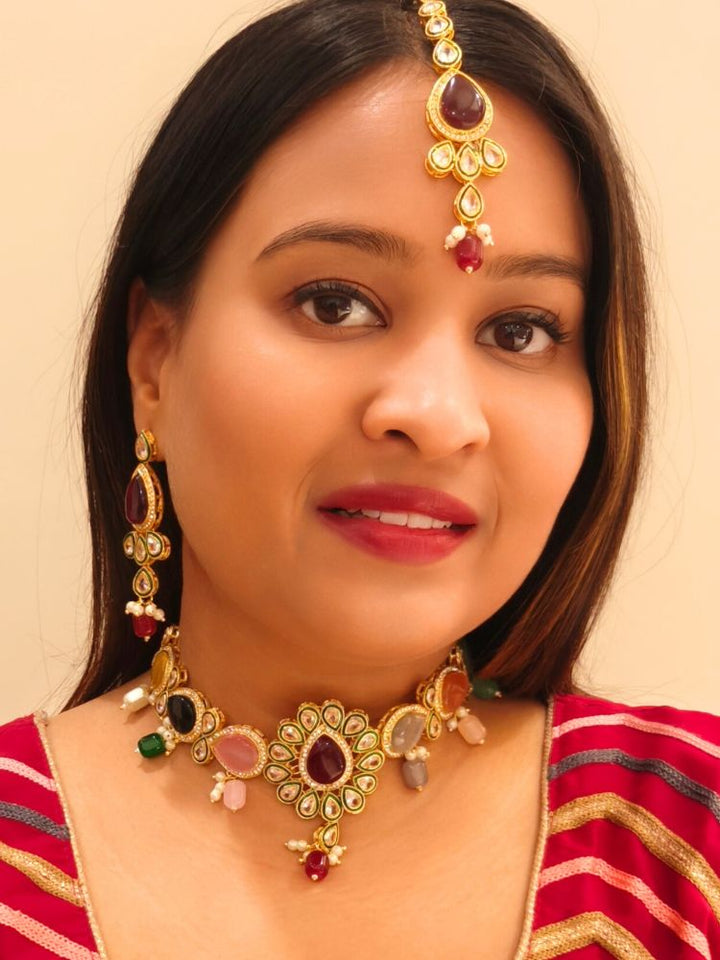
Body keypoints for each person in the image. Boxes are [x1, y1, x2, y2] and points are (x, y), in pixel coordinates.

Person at [0, 0, 717, 956]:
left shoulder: (686, 843)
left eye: (521, 331)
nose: (434, 414)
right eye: (334, 303)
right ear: (154, 359)